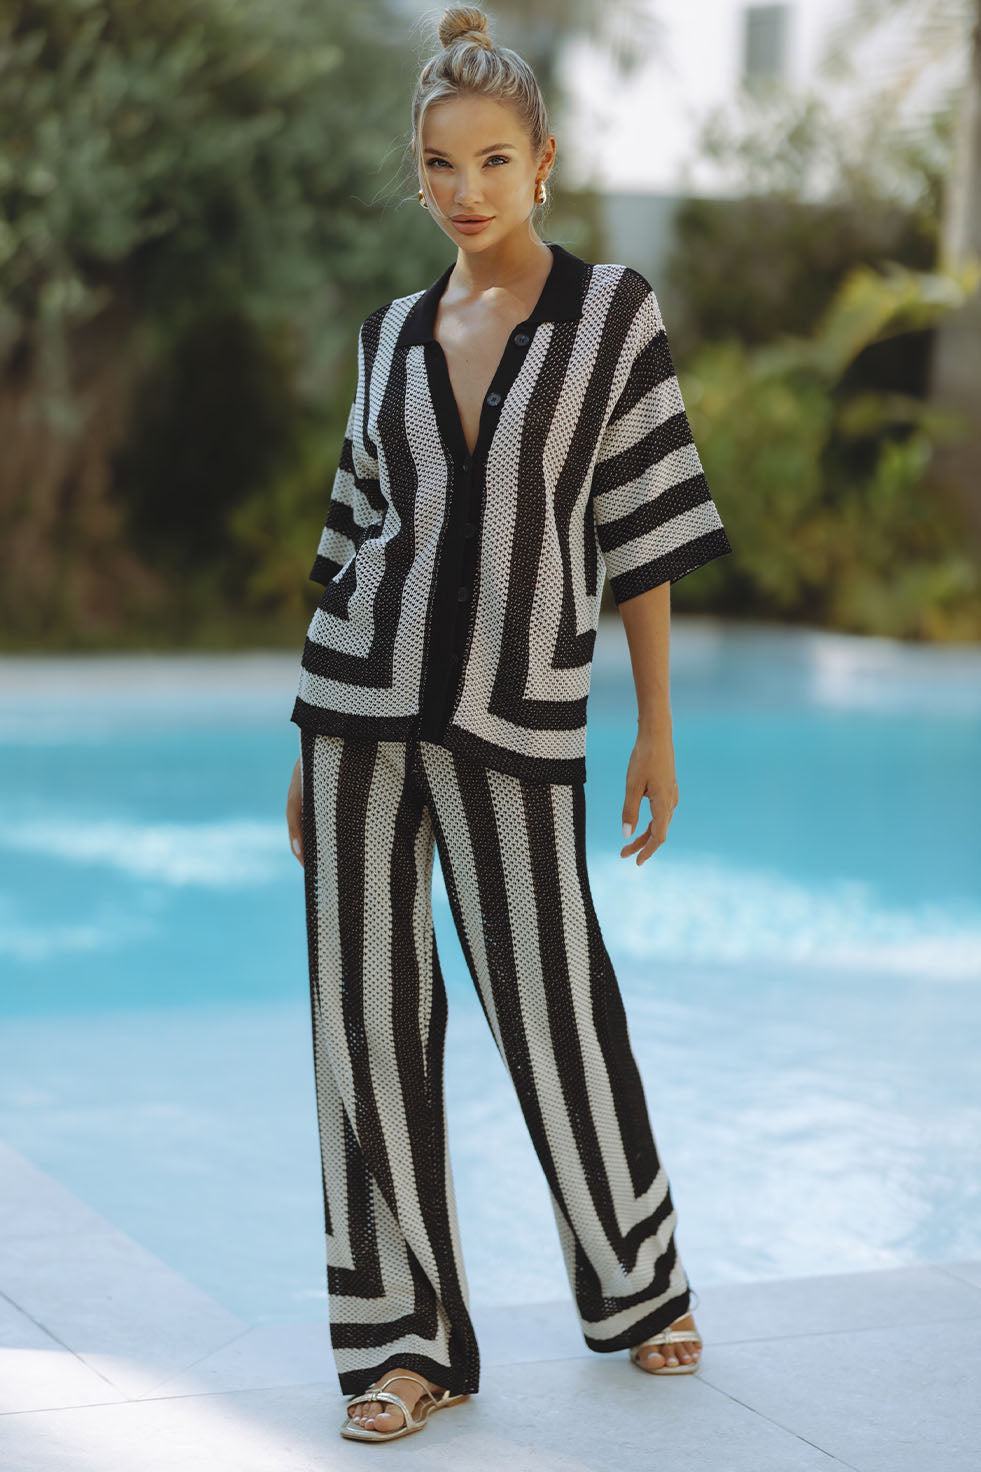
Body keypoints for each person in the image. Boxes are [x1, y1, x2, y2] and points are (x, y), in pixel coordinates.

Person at [284, 3, 732, 1445]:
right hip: (358, 711)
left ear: (544, 162)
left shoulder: (612, 317)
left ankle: (637, 1282)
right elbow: (351, 532)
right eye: (439, 164)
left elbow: (642, 530)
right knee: (363, 1017)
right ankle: (401, 1344)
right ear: (416, 172)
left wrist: (654, 727)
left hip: (518, 712)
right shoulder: (389, 334)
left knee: (554, 1000)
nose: (464, 191)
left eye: (491, 161)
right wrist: (302, 740)